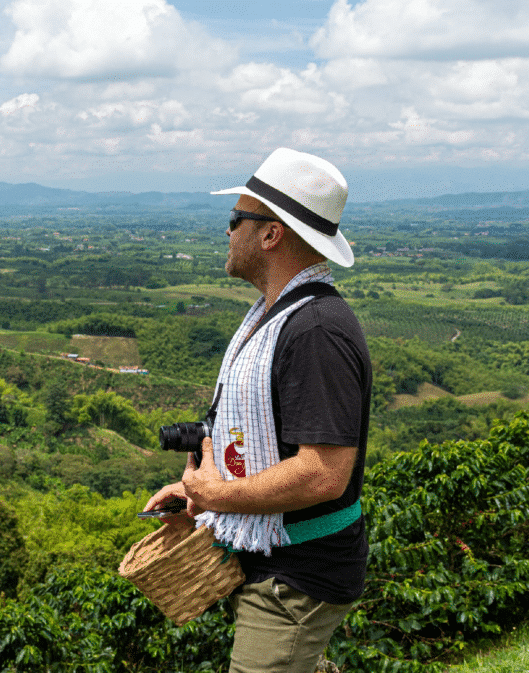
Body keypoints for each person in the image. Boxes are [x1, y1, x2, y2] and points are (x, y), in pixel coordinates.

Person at [144, 148, 371, 673]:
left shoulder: (316, 331)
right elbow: (269, 443)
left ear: (271, 234)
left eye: (236, 220)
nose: (228, 233)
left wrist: (219, 494)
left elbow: (322, 474)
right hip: (273, 559)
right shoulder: (275, 319)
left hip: (297, 573)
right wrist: (195, 490)